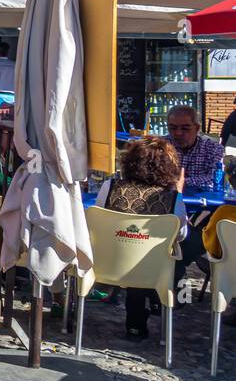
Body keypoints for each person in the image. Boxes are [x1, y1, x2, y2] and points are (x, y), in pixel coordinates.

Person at [92, 137, 191, 339]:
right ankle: (148, 313)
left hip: (108, 263)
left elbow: (98, 220)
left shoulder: (109, 188)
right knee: (149, 255)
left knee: (132, 249)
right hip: (151, 269)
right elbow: (180, 235)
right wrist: (178, 192)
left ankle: (135, 323)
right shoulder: (173, 198)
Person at [166, 105, 223, 190]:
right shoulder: (160, 147)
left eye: (185, 128)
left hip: (200, 201)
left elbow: (215, 179)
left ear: (197, 128)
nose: (178, 133)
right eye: (172, 128)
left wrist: (180, 182)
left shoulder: (212, 148)